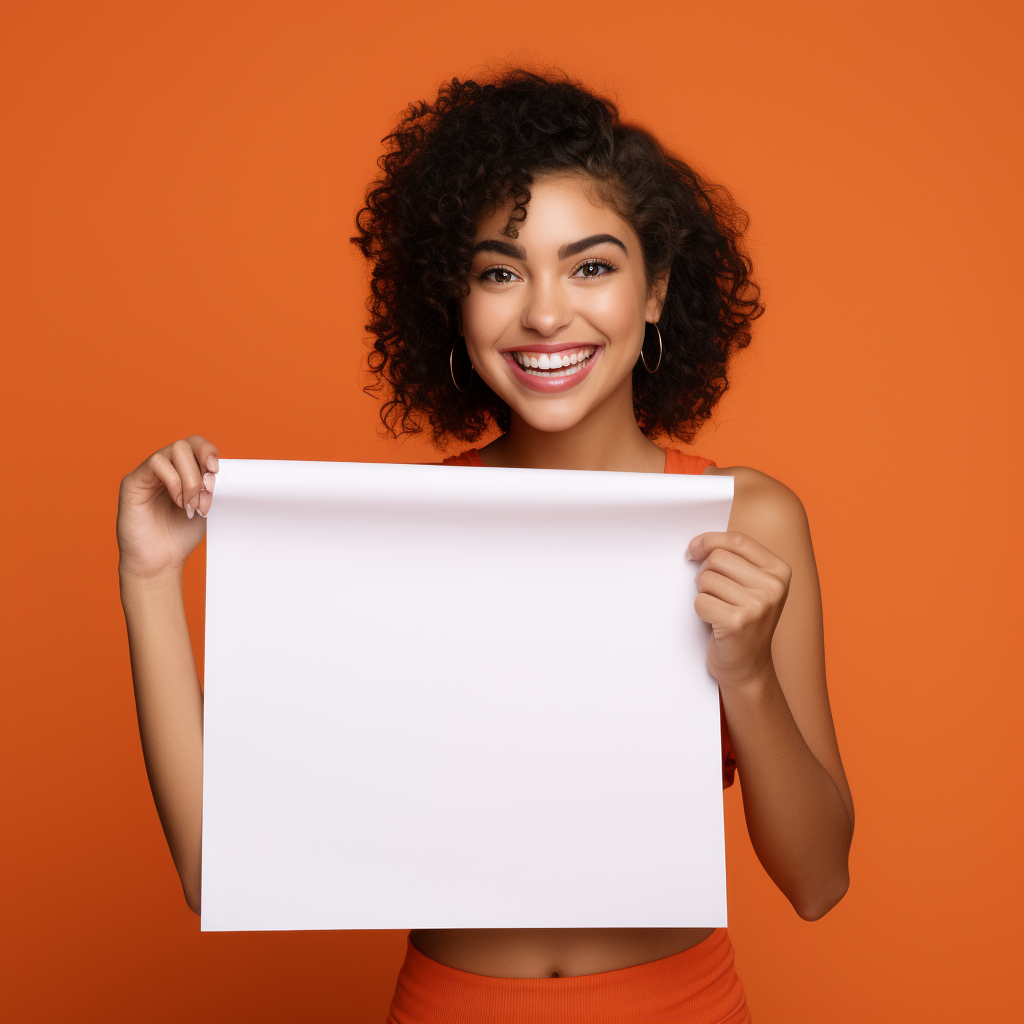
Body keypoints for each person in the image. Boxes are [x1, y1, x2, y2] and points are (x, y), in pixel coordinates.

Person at [117, 68, 854, 1024]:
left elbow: (819, 881)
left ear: (658, 289)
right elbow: (220, 873)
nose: (546, 313)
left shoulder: (747, 515)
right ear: (455, 305)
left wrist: (748, 675)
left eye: (591, 265)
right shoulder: (407, 531)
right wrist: (149, 579)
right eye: (501, 272)